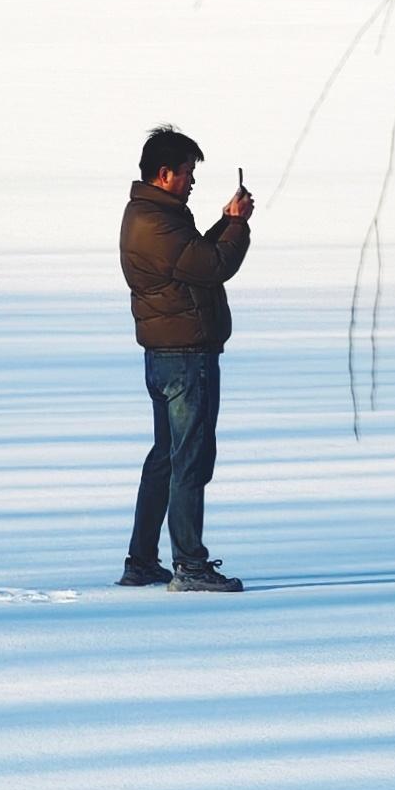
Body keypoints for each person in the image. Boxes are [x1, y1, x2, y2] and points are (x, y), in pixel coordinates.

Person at [118, 127, 254, 592]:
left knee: (166, 457)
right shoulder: (157, 223)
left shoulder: (152, 215)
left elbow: (194, 258)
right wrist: (238, 226)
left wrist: (225, 222)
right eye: (187, 172)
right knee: (189, 459)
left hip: (167, 355)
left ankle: (142, 561)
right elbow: (214, 266)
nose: (192, 181)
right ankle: (189, 566)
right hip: (184, 357)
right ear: (164, 174)